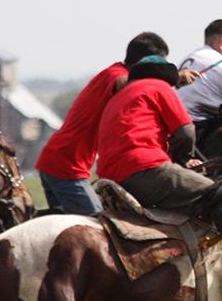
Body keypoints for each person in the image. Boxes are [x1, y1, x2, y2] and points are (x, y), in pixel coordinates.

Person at [95, 54, 222, 286]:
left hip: (113, 177)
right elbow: (186, 131)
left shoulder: (120, 97)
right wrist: (186, 158)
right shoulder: (159, 87)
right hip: (144, 170)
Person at [35, 33, 173, 214]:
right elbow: (129, 85)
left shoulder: (112, 73)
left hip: (58, 160)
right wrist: (171, 77)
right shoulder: (115, 75)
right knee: (98, 225)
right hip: (67, 166)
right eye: (158, 64)